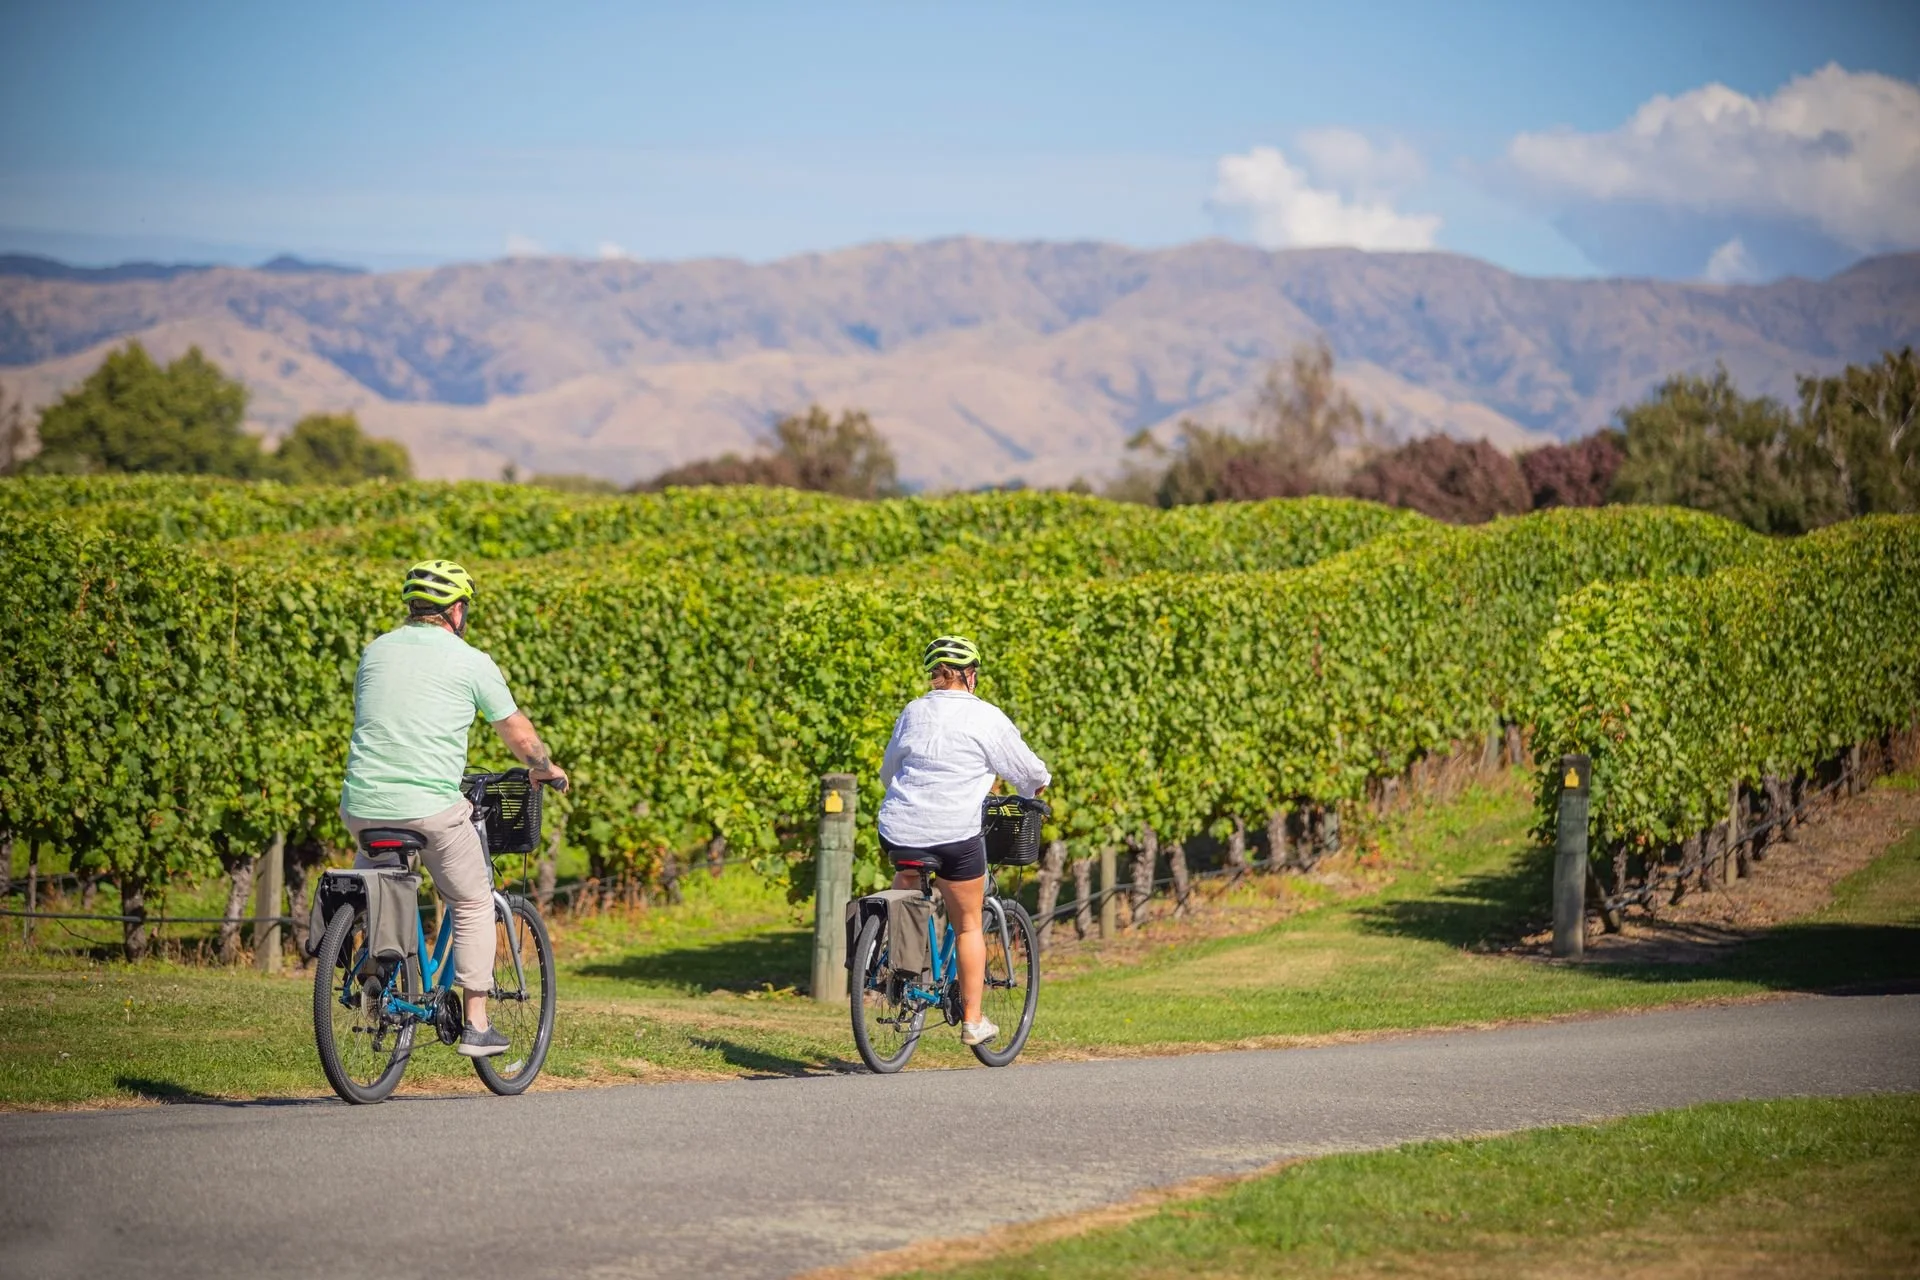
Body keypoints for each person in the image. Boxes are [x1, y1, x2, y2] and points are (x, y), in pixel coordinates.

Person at [338, 559, 569, 1059]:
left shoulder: (374, 652)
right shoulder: (470, 661)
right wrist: (545, 767)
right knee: (471, 899)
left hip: (362, 805)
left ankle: (375, 978)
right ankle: (478, 1024)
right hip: (430, 807)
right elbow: (517, 733)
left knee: (380, 887)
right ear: (456, 610)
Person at [877, 635, 1050, 1046]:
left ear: (935, 674)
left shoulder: (913, 711)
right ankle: (973, 1021)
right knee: (969, 922)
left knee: (909, 896)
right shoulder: (986, 717)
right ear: (970, 675)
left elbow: (889, 771)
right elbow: (1030, 773)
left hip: (899, 828)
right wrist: (1037, 788)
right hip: (955, 832)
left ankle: (901, 975)